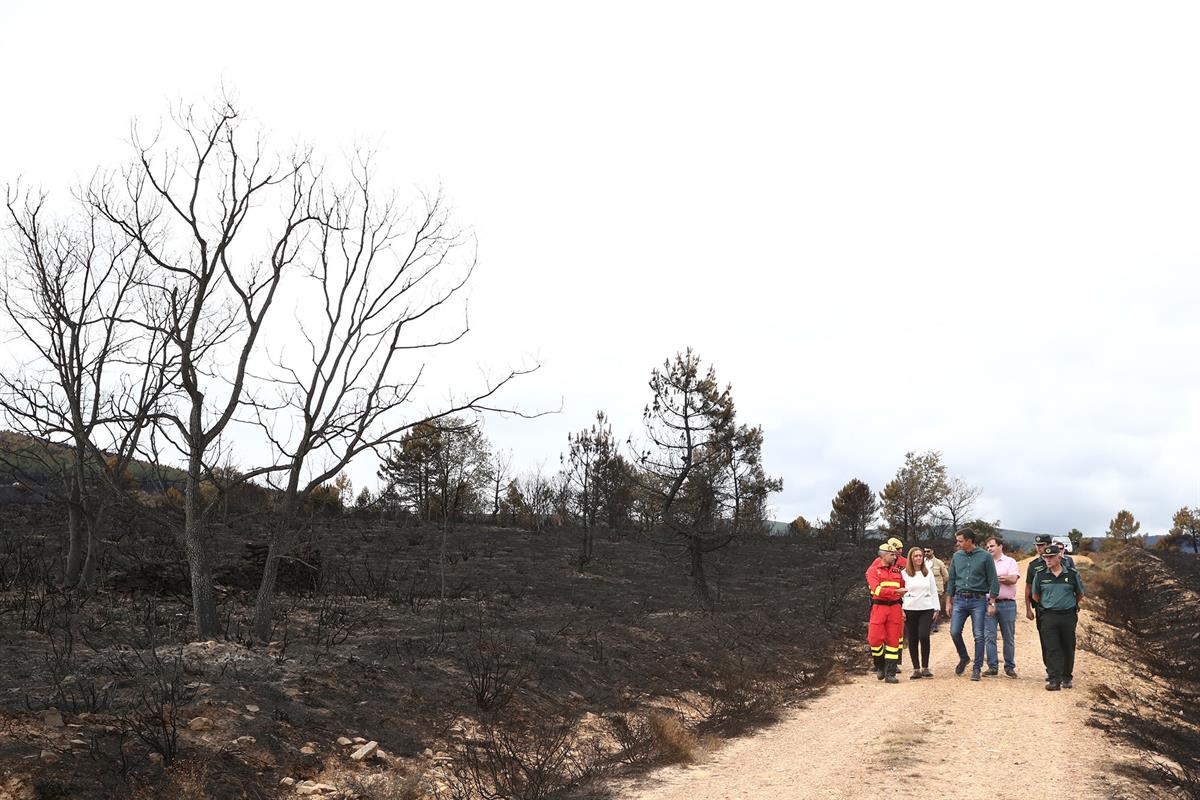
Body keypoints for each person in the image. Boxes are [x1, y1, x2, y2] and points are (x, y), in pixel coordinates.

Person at [945, 528, 1000, 681]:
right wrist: (948, 601)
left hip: (978, 600)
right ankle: (964, 657)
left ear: (969, 541)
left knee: (979, 635)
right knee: (954, 631)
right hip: (960, 599)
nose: (958, 543)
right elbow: (952, 579)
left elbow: (993, 580)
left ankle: (977, 668)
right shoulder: (957, 556)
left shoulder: (985, 557)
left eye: (960, 541)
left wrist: (992, 602)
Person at [1030, 543, 1084, 690]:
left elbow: (1079, 594)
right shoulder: (1040, 575)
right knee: (1052, 648)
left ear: (1059, 557)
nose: (1048, 559)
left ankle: (1067, 677)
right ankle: (1054, 680)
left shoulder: (1072, 574)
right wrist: (1048, 604)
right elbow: (1035, 595)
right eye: (1045, 557)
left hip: (1068, 615)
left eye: (1051, 556)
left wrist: (1068, 604)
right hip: (1048, 615)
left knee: (1067, 646)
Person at [1024, 534, 1077, 678]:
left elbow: (1076, 588)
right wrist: (1029, 607)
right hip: (1044, 610)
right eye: (1037, 545)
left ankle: (1065, 672)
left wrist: (1073, 604)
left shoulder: (1065, 563)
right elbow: (1029, 588)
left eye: (1042, 545)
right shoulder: (1034, 566)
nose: (1039, 548)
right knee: (1047, 641)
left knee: (1065, 642)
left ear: (1048, 545)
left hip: (1065, 611)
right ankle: (1052, 671)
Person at [866, 542, 907, 684]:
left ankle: (890, 673)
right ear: (883, 555)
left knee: (893, 640)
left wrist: (900, 598)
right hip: (879, 608)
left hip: (895, 608)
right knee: (874, 639)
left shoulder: (897, 571)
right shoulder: (873, 571)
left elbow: (903, 587)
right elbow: (876, 590)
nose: (895, 557)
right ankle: (880, 665)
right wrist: (894, 592)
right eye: (891, 554)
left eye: (895, 554)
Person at [983, 536, 1020, 678]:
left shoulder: (1010, 561)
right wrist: (1001, 578)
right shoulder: (985, 562)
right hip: (988, 604)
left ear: (1000, 546)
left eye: (992, 546)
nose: (989, 549)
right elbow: (983, 582)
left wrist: (995, 579)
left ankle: (1009, 667)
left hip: (1007, 604)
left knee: (1008, 637)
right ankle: (992, 667)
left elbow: (1013, 579)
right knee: (990, 636)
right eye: (987, 547)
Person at [902, 547, 938, 679]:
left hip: (926, 609)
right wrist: (901, 609)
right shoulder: (904, 573)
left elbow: (934, 591)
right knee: (912, 638)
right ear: (911, 558)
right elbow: (900, 593)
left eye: (920, 556)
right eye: (915, 556)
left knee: (924, 636)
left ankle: (925, 667)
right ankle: (916, 669)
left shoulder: (927, 573)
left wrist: (936, 608)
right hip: (909, 609)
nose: (918, 558)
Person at [924, 547, 949, 631]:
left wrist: (941, 584)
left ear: (932, 551)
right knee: (927, 607)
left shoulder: (939, 563)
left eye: (928, 551)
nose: (926, 553)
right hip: (925, 588)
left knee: (936, 607)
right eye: (925, 551)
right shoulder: (922, 562)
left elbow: (946, 576)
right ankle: (927, 624)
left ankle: (934, 625)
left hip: (937, 588)